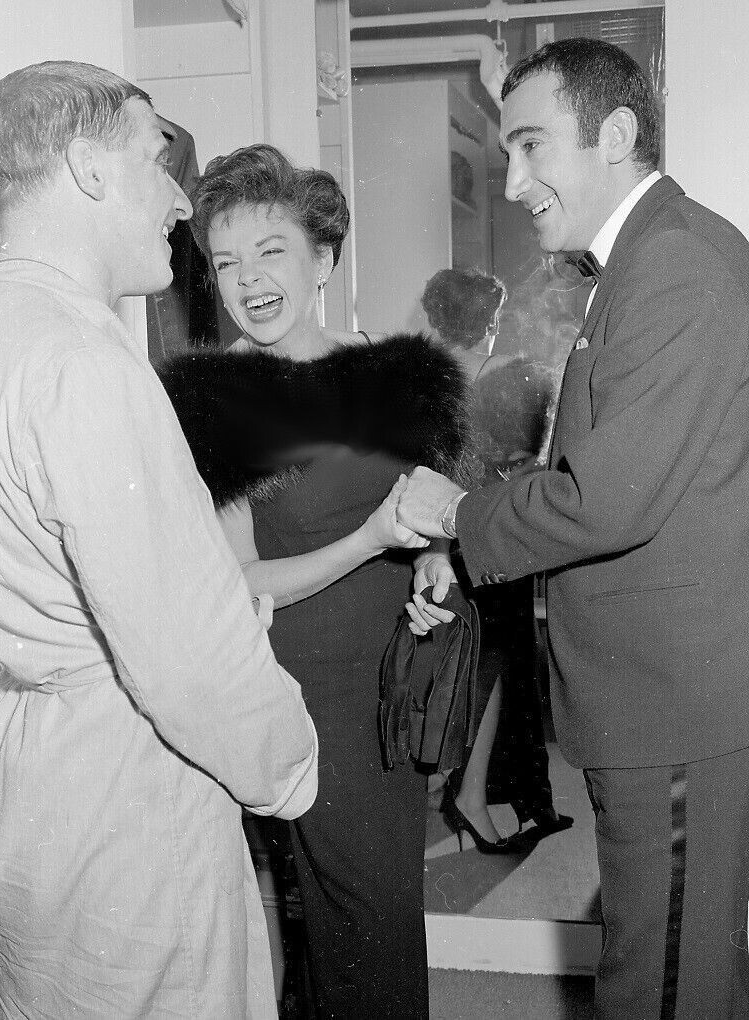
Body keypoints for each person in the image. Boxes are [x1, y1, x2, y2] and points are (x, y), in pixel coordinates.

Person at [0, 62, 319, 1018]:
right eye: (158, 161)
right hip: (125, 797)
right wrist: (289, 766)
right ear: (89, 167)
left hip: (37, 772)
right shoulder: (82, 359)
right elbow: (185, 656)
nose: (182, 203)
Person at [397, 37, 749, 1020]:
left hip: (671, 699)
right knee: (668, 964)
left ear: (617, 135)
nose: (513, 182)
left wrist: (456, 514)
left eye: (530, 146)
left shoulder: (674, 263)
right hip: (656, 694)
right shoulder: (646, 258)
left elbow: (603, 497)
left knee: (662, 980)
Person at [159, 143, 471, 1018]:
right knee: (363, 914)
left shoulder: (398, 370)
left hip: (397, 679)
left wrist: (435, 559)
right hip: (311, 690)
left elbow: (433, 506)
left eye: (271, 251)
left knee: (370, 913)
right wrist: (371, 540)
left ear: (324, 259)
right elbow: (243, 579)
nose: (248, 280)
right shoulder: (216, 398)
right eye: (227, 262)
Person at [418, 268, 570, 854]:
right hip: (489, 535)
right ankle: (474, 798)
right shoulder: (514, 374)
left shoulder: (425, 377)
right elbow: (531, 464)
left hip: (430, 540)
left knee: (449, 665)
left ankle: (456, 788)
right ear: (492, 319)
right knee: (497, 667)